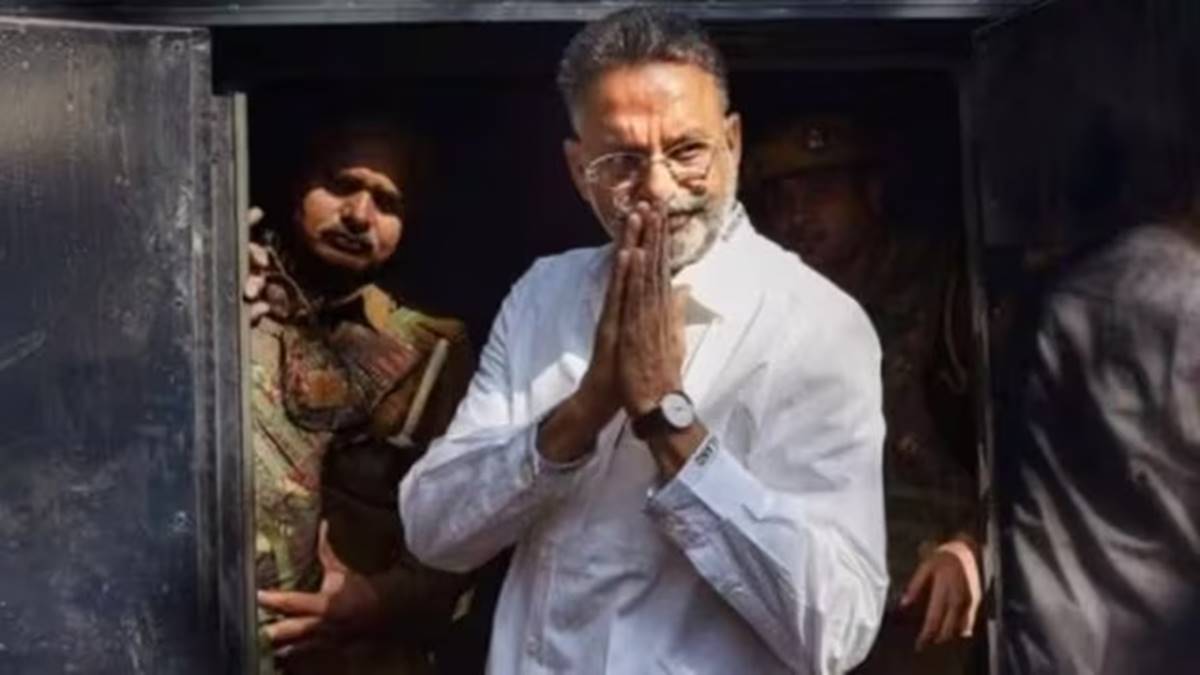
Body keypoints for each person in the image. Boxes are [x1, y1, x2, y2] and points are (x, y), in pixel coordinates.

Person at [399, 9, 887, 675]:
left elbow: (835, 629)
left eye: (686, 151)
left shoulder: (814, 325)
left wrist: (668, 420)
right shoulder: (545, 294)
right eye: (622, 162)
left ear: (732, 143)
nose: (658, 188)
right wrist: (583, 412)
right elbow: (432, 531)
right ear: (579, 170)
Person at [745, 117, 982, 674]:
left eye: (819, 193)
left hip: (920, 610)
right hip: (800, 607)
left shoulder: (948, 293)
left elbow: (1033, 450)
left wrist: (977, 544)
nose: (798, 218)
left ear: (871, 193)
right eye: (782, 201)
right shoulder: (766, 307)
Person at [245, 118, 475, 674]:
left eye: (387, 202)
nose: (358, 215)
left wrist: (376, 604)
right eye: (342, 185)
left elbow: (468, 534)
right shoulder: (226, 293)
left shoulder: (430, 351)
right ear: (297, 184)